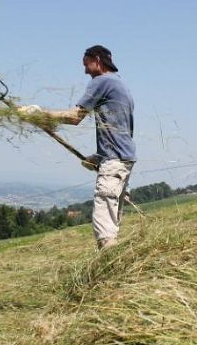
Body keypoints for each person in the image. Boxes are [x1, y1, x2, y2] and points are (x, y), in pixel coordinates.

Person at [20, 45, 135, 250]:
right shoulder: (121, 85)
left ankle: (111, 270)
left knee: (105, 230)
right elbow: (120, 128)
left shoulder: (102, 81)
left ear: (97, 61)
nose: (85, 71)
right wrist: (100, 157)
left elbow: (75, 117)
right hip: (123, 160)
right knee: (112, 222)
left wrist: (39, 114)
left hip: (114, 161)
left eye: (86, 65)